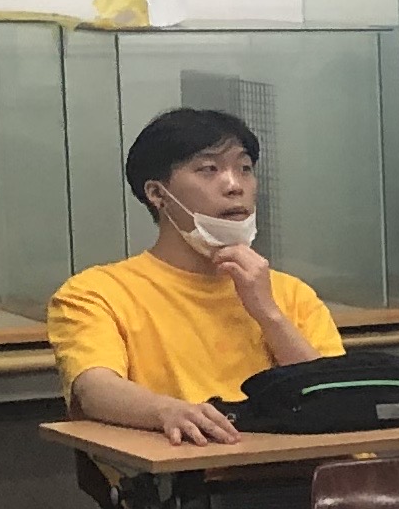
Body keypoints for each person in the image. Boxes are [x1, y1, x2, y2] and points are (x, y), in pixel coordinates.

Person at [52, 106, 343, 445]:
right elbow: (94, 389)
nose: (234, 186)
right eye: (209, 169)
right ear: (157, 194)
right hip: (187, 464)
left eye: (245, 169)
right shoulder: (96, 293)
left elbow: (339, 401)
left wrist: (268, 313)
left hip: (304, 466)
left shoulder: (291, 293)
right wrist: (166, 411)